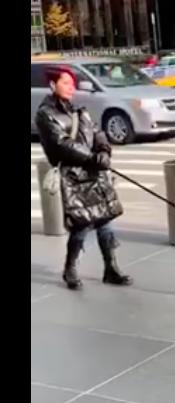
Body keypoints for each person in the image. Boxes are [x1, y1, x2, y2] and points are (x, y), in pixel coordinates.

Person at [35, 66, 132, 291]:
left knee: (105, 220)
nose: (72, 88)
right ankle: (70, 268)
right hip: (73, 178)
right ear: (52, 85)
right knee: (81, 224)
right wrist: (92, 158)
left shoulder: (80, 110)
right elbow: (61, 144)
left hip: (95, 174)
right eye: (66, 83)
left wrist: (104, 152)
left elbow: (98, 134)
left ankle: (111, 268)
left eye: (72, 83)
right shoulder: (45, 114)